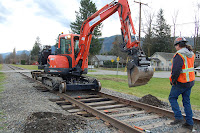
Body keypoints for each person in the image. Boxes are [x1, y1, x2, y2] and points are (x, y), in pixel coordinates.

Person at [169, 37, 195, 131]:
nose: (175, 47)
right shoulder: (191, 54)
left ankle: (178, 117)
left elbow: (176, 71)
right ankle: (189, 123)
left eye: (175, 45)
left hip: (181, 82)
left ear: (178, 45)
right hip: (190, 82)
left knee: (172, 98)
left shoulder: (179, 55)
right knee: (186, 102)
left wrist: (173, 80)